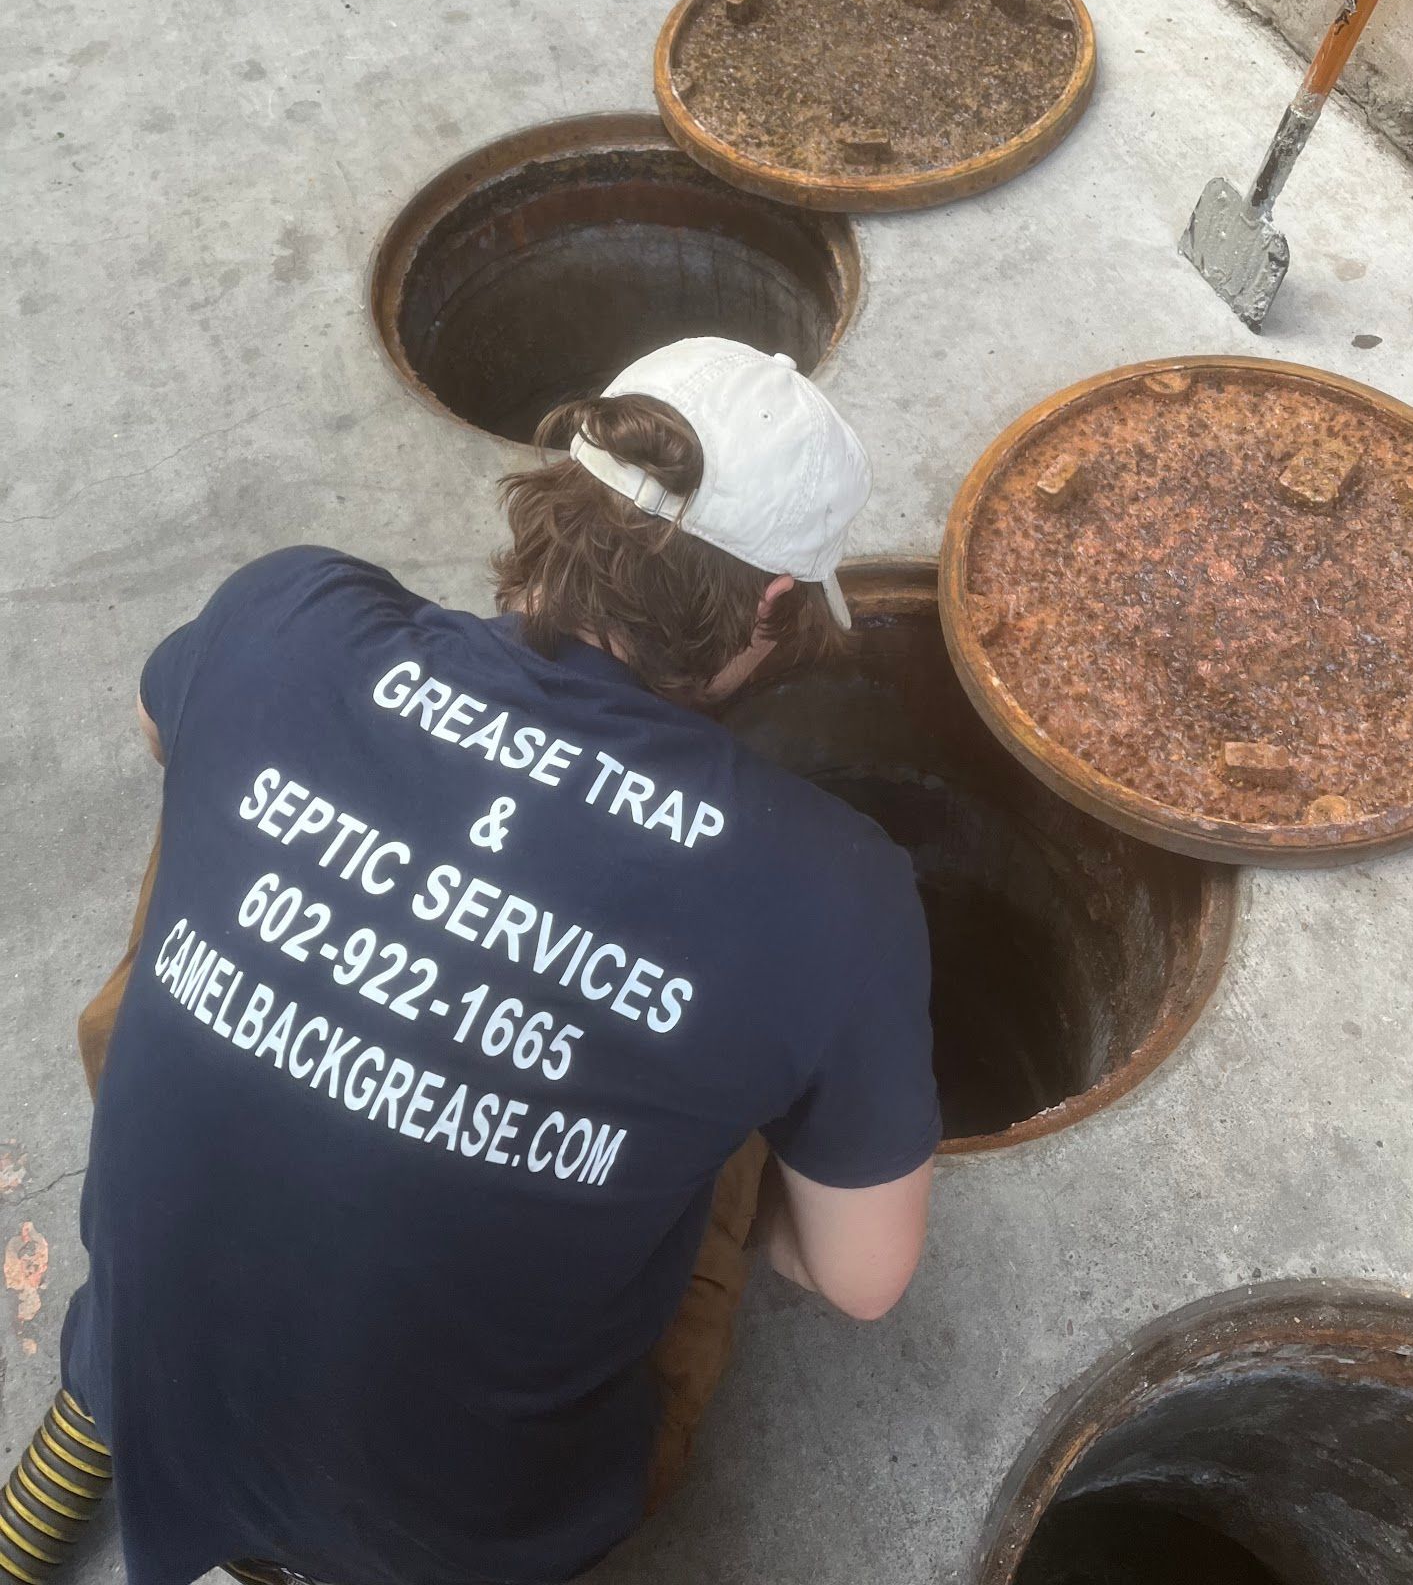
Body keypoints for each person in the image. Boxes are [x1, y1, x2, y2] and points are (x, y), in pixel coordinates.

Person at [60, 337, 940, 1585]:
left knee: (241, 783)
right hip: (452, 1536)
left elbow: (162, 722)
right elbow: (859, 1278)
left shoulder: (290, 612)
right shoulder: (833, 885)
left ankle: (118, 1386)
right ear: (774, 607)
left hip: (141, 1368)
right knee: (727, 1070)